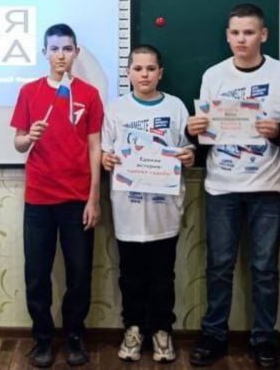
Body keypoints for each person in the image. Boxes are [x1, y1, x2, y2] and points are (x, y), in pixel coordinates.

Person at [187, 3, 280, 369]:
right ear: (227, 36)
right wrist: (194, 131)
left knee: (265, 269)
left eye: (249, 32)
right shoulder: (213, 75)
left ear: (263, 35)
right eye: (235, 33)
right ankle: (214, 336)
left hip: (269, 187)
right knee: (219, 266)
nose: (242, 39)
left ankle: (264, 340)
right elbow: (205, 133)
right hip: (222, 186)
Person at [10, 23, 104, 368]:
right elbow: (19, 143)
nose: (60, 55)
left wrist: (94, 198)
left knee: (79, 274)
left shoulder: (90, 94)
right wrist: (29, 137)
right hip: (39, 199)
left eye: (67, 49)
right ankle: (42, 338)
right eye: (54, 49)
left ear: (76, 52)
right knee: (37, 273)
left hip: (77, 199)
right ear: (44, 53)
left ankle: (75, 335)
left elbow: (95, 147)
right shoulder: (29, 92)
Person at [100, 45, 195, 363]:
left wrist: (188, 155)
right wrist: (107, 159)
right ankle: (133, 328)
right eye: (138, 69)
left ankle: (162, 331)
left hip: (163, 211)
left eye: (151, 69)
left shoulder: (176, 107)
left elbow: (187, 149)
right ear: (128, 72)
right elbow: (105, 151)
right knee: (130, 276)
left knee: (163, 277)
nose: (144, 74)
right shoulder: (116, 109)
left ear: (160, 73)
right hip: (127, 211)